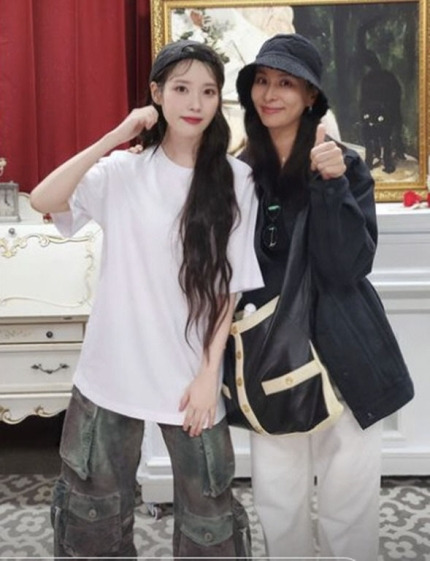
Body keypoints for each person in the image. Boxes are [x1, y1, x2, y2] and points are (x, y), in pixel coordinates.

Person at [30, 40, 264, 559]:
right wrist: (116, 135)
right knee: (93, 523)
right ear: (156, 94)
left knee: (210, 526)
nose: (195, 103)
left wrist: (208, 376)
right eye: (181, 89)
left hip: (189, 380)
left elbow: (228, 288)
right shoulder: (122, 172)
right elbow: (44, 198)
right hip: (110, 374)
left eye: (208, 91)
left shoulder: (236, 180)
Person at [234, 33, 414, 561]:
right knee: (279, 502)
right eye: (262, 81)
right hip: (273, 358)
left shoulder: (345, 166)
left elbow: (346, 267)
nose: (270, 94)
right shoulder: (239, 173)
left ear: (311, 94)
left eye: (285, 83)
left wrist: (330, 184)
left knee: (348, 506)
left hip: (346, 352)